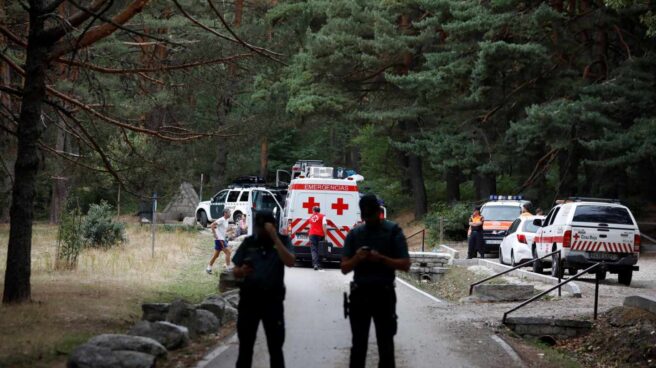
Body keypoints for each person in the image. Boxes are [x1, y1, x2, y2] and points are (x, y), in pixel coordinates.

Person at [341, 194, 410, 368]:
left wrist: (381, 259)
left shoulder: (393, 231)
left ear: (379, 213)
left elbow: (405, 264)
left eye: (372, 216)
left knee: (386, 346)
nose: (369, 220)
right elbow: (344, 268)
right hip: (360, 294)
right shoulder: (355, 234)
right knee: (358, 346)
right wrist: (358, 258)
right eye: (366, 216)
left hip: (383, 294)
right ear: (362, 216)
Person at [232, 210, 296, 368]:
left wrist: (274, 237)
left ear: (273, 226)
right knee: (245, 349)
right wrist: (241, 272)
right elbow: (235, 270)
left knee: (275, 349)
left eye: (264, 227)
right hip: (249, 302)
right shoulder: (249, 242)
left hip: (272, 303)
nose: (260, 231)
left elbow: (290, 261)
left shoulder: (283, 240)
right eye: (258, 227)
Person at [207, 208, 232, 274]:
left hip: (221, 239)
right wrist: (214, 234)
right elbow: (212, 225)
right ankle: (228, 268)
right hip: (219, 239)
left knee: (216, 255)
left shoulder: (226, 220)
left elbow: (223, 229)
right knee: (228, 252)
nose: (230, 213)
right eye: (229, 212)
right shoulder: (222, 219)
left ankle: (208, 268)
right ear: (225, 213)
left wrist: (230, 229)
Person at [308, 206, 327, 270]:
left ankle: (315, 264)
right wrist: (326, 235)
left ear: (314, 210)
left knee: (314, 249)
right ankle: (319, 264)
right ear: (319, 210)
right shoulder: (323, 216)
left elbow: (311, 225)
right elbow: (324, 225)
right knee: (320, 249)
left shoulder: (311, 217)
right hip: (320, 235)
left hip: (312, 234)